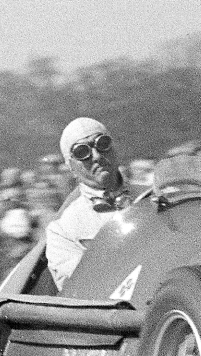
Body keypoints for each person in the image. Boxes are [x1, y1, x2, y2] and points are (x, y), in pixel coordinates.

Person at [43, 118, 137, 290]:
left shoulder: (152, 195)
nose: (96, 156)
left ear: (114, 149)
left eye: (103, 144)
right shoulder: (63, 231)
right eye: (82, 152)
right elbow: (80, 290)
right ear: (70, 165)